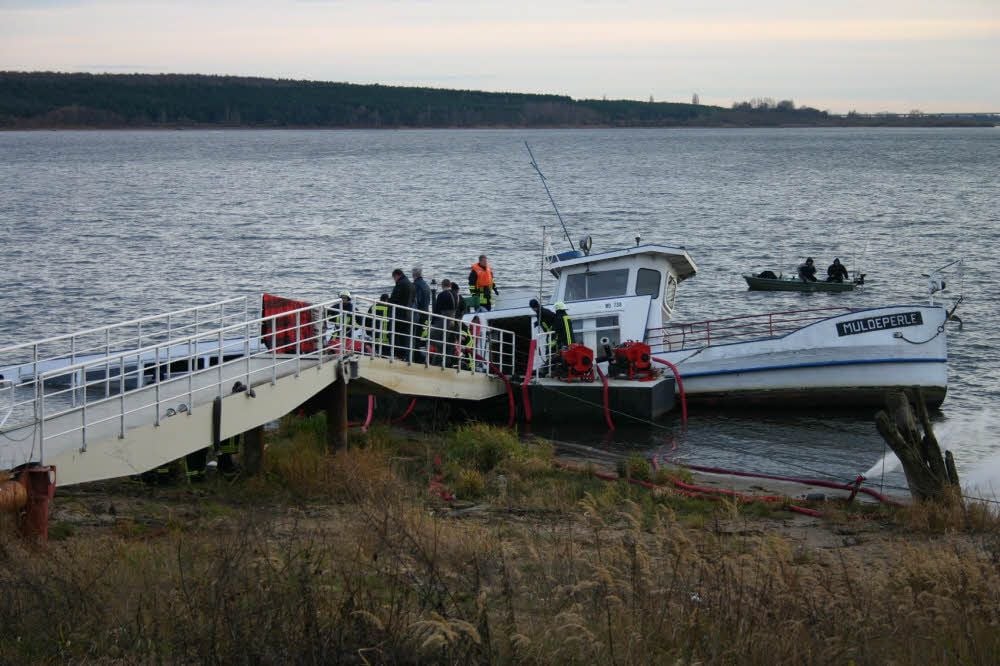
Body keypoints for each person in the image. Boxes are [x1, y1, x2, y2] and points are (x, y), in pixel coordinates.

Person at [389, 268, 415, 359]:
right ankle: (406, 356)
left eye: (394, 278)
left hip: (399, 314)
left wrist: (389, 302)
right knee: (406, 337)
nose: (394, 280)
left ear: (397, 275)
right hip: (408, 315)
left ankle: (397, 355)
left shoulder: (400, 284)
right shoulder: (411, 285)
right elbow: (413, 300)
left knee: (395, 335)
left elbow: (394, 299)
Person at [431, 278, 457, 366]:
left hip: (443, 320)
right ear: (450, 285)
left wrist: (433, 322)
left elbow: (437, 309)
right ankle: (443, 361)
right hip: (453, 320)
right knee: (448, 340)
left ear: (442, 286)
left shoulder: (442, 295)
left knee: (431, 337)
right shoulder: (456, 294)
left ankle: (442, 348)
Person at [529, 298, 560, 368]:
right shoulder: (539, 313)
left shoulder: (544, 311)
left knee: (550, 348)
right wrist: (537, 323)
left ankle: (551, 365)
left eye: (532, 308)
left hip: (553, 333)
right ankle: (550, 364)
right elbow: (543, 320)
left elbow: (555, 317)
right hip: (549, 333)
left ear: (534, 307)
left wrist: (553, 329)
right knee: (549, 348)